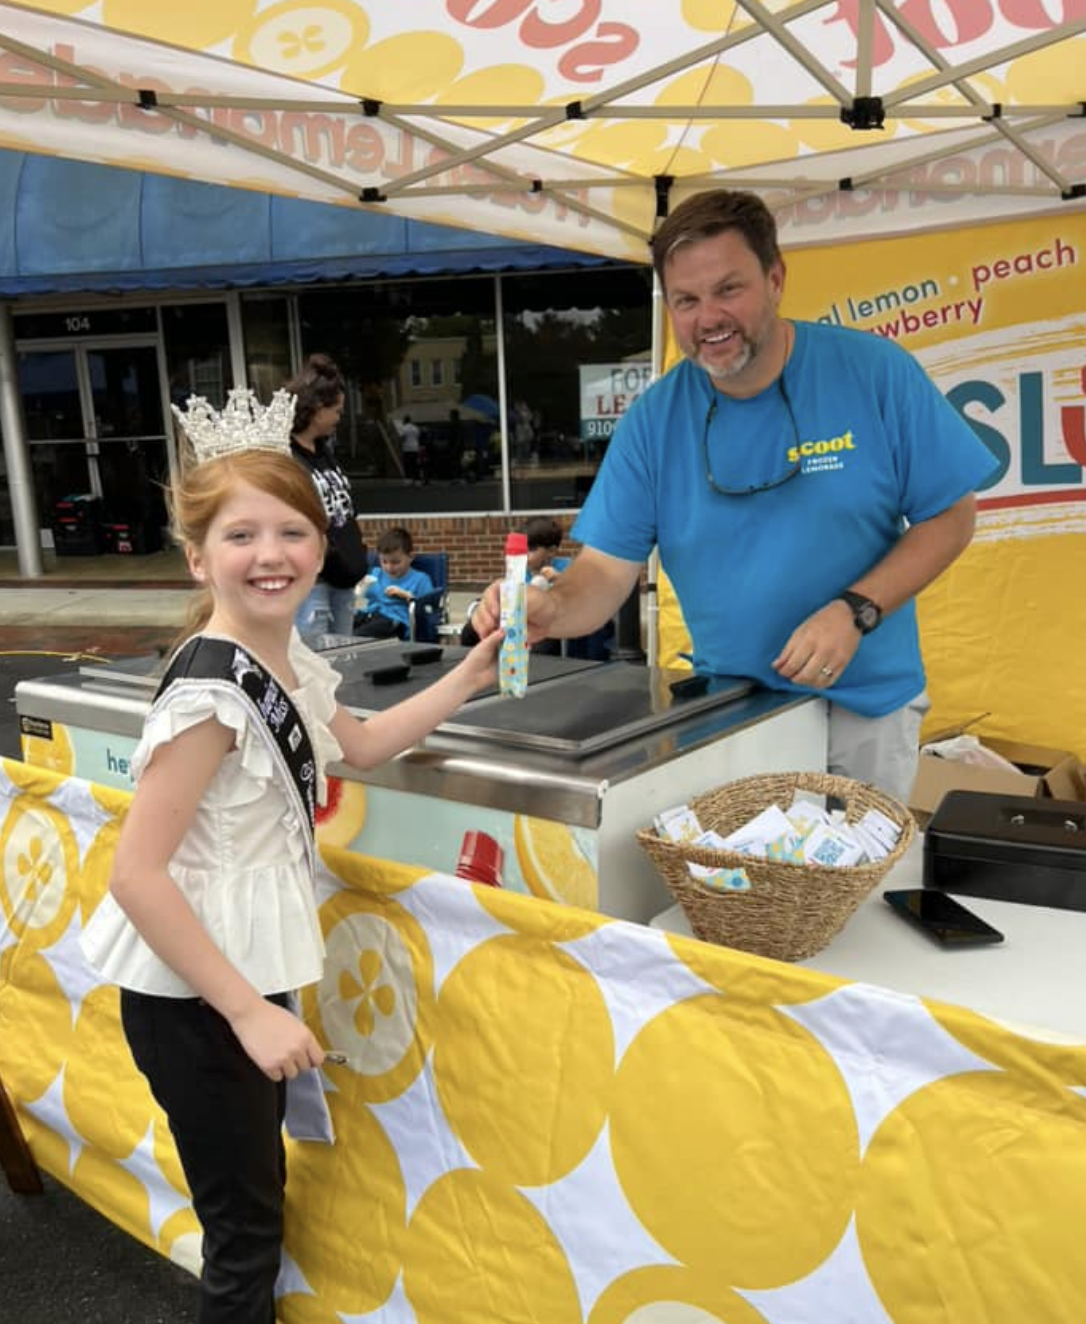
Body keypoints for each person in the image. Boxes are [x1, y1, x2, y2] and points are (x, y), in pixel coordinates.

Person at [79, 387, 501, 1324]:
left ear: (322, 545)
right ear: (198, 556)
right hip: (197, 999)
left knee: (255, 1207)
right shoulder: (209, 697)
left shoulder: (280, 656)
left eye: (291, 532)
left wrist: (472, 671)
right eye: (240, 535)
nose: (270, 554)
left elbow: (365, 744)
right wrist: (249, 1017)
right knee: (243, 1241)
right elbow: (135, 876)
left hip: (236, 978)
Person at [472, 189, 998, 801]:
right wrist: (552, 608)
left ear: (775, 279)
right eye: (687, 300)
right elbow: (605, 573)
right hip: (735, 711)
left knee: (860, 864)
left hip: (866, 707)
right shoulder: (654, 420)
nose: (709, 318)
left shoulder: (875, 372)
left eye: (728, 290)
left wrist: (856, 610)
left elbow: (951, 516)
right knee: (742, 867)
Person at [286, 354, 369, 637]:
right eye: (336, 410)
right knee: (315, 653)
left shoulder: (323, 452)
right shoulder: (289, 457)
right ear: (317, 408)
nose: (339, 418)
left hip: (343, 576)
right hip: (315, 579)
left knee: (343, 651)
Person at [354, 525, 435, 640]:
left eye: (395, 562)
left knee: (358, 636)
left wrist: (406, 596)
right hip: (370, 615)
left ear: (411, 557)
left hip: (395, 620)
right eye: (384, 561)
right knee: (343, 625)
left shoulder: (420, 579)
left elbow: (428, 609)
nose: (389, 567)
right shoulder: (376, 574)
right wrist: (360, 585)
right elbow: (359, 593)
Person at [399, 414, 422, 484]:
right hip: (415, 448)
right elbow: (418, 437)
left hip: (407, 448)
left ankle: (408, 479)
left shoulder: (404, 428)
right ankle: (417, 480)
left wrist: (400, 445)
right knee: (415, 465)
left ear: (405, 421)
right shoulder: (415, 428)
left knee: (407, 465)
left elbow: (403, 437)